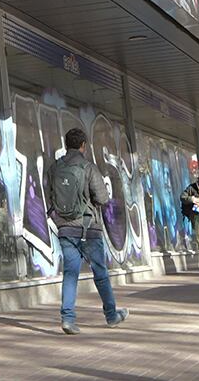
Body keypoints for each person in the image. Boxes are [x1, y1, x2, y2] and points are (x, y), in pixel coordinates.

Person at [46, 127, 129, 335]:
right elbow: (102, 198)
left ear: (67, 145)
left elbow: (50, 196)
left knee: (70, 274)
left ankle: (67, 318)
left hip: (65, 228)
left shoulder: (55, 168)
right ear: (84, 146)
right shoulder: (88, 167)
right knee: (100, 273)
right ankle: (111, 315)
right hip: (88, 228)